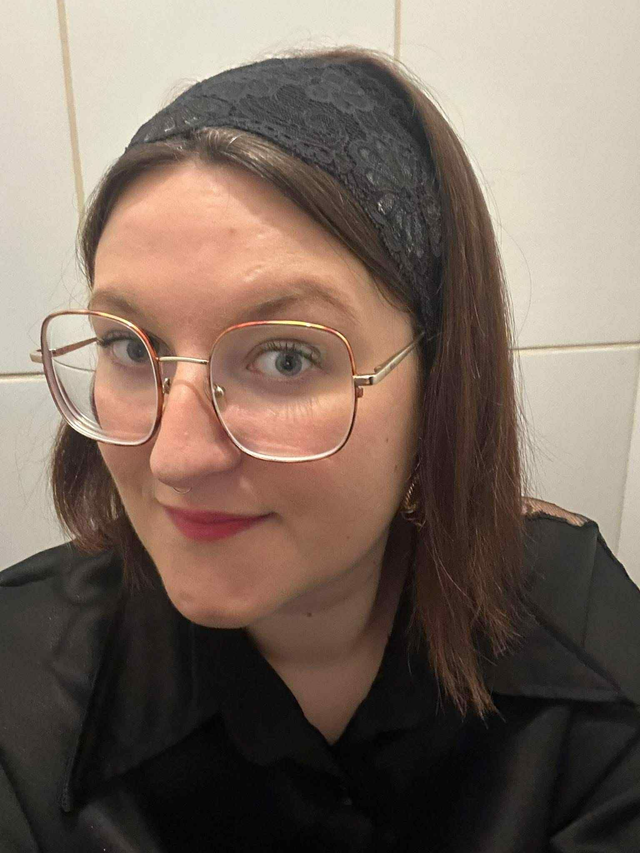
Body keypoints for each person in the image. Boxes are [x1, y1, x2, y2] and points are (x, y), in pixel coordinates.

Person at [1, 45, 638, 853]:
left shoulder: (586, 656)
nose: (175, 458)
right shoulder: (21, 689)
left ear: (439, 380)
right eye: (130, 347)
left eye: (285, 358)